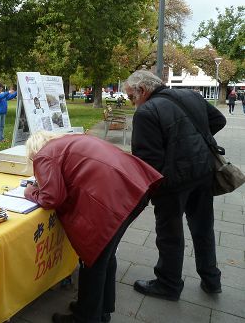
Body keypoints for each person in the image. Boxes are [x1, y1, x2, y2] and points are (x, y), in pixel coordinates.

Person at [23, 131, 163, 323]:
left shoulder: (44, 154)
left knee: (94, 258)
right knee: (106, 255)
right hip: (133, 187)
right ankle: (100, 309)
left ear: (33, 152)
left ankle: (86, 317)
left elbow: (52, 197)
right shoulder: (72, 140)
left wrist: (31, 191)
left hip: (112, 198)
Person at [124, 70, 226, 301]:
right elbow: (218, 120)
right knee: (203, 228)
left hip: (172, 183)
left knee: (170, 234)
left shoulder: (146, 112)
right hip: (202, 172)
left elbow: (146, 160)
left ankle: (168, 284)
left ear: (143, 90)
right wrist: (192, 143)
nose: (132, 103)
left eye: (131, 97)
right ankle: (211, 279)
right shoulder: (192, 96)